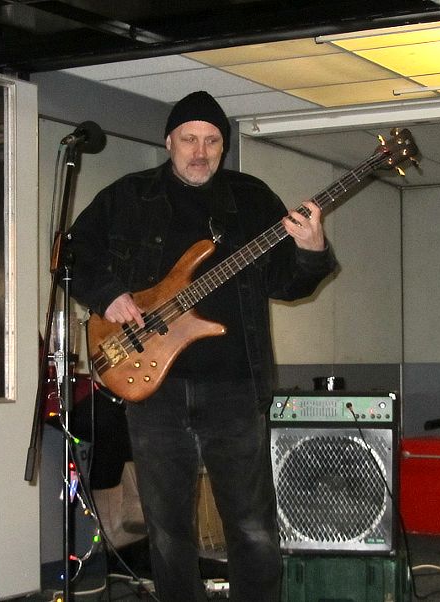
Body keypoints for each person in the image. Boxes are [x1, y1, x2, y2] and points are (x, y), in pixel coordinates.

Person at [67, 90, 336, 601]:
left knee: (253, 525)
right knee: (168, 530)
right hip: (155, 389)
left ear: (223, 146)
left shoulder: (252, 199)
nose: (200, 150)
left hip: (236, 386)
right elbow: (73, 253)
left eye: (212, 141)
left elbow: (288, 283)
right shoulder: (128, 197)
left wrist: (312, 250)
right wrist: (110, 297)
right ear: (168, 141)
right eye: (189, 138)